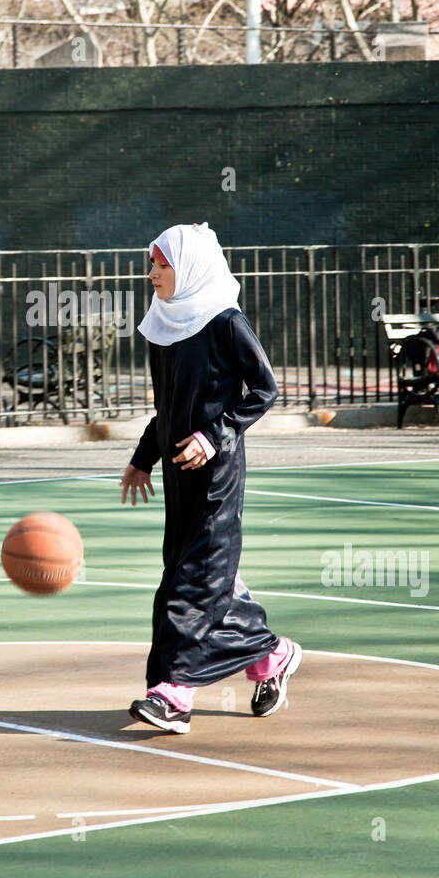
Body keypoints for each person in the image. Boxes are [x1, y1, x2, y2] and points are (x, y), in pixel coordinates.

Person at [120, 222, 302, 734]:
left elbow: (263, 390)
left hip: (217, 472)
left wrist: (214, 434)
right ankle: (270, 653)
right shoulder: (162, 324)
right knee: (193, 574)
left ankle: (173, 694)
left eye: (161, 264)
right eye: (152, 264)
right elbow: (168, 408)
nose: (152, 274)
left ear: (190, 268)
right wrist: (143, 458)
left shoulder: (225, 320)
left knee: (192, 583)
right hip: (178, 476)